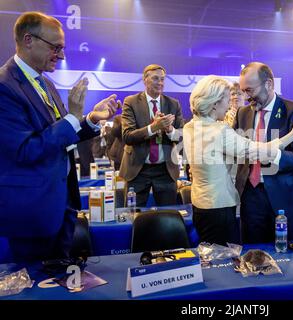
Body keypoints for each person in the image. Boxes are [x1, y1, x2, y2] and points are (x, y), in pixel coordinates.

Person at [0, 11, 119, 262]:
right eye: (56, 47)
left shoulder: (45, 83)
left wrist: (90, 119)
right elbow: (26, 149)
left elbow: (63, 135)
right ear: (28, 40)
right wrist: (73, 117)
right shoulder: (5, 86)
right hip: (33, 211)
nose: (62, 55)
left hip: (62, 205)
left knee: (59, 277)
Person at [183, 75, 293, 245]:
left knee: (212, 255)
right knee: (225, 257)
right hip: (221, 204)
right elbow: (256, 150)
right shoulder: (220, 129)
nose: (231, 105)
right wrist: (291, 136)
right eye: (228, 100)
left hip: (200, 202)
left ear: (268, 84)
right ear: (214, 103)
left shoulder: (189, 126)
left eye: (249, 90)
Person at [234, 62, 293, 244]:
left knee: (292, 259)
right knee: (254, 254)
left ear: (269, 84)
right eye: (243, 91)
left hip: (285, 197)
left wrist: (274, 155)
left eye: (250, 91)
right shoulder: (242, 113)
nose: (246, 97)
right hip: (251, 196)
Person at [120, 64, 184, 207]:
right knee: (133, 216)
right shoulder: (131, 102)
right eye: (155, 79)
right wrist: (154, 127)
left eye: (162, 79)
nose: (160, 83)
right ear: (145, 80)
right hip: (137, 170)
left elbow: (182, 137)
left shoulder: (173, 104)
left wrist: (169, 130)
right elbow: (128, 136)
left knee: (168, 217)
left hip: (166, 171)